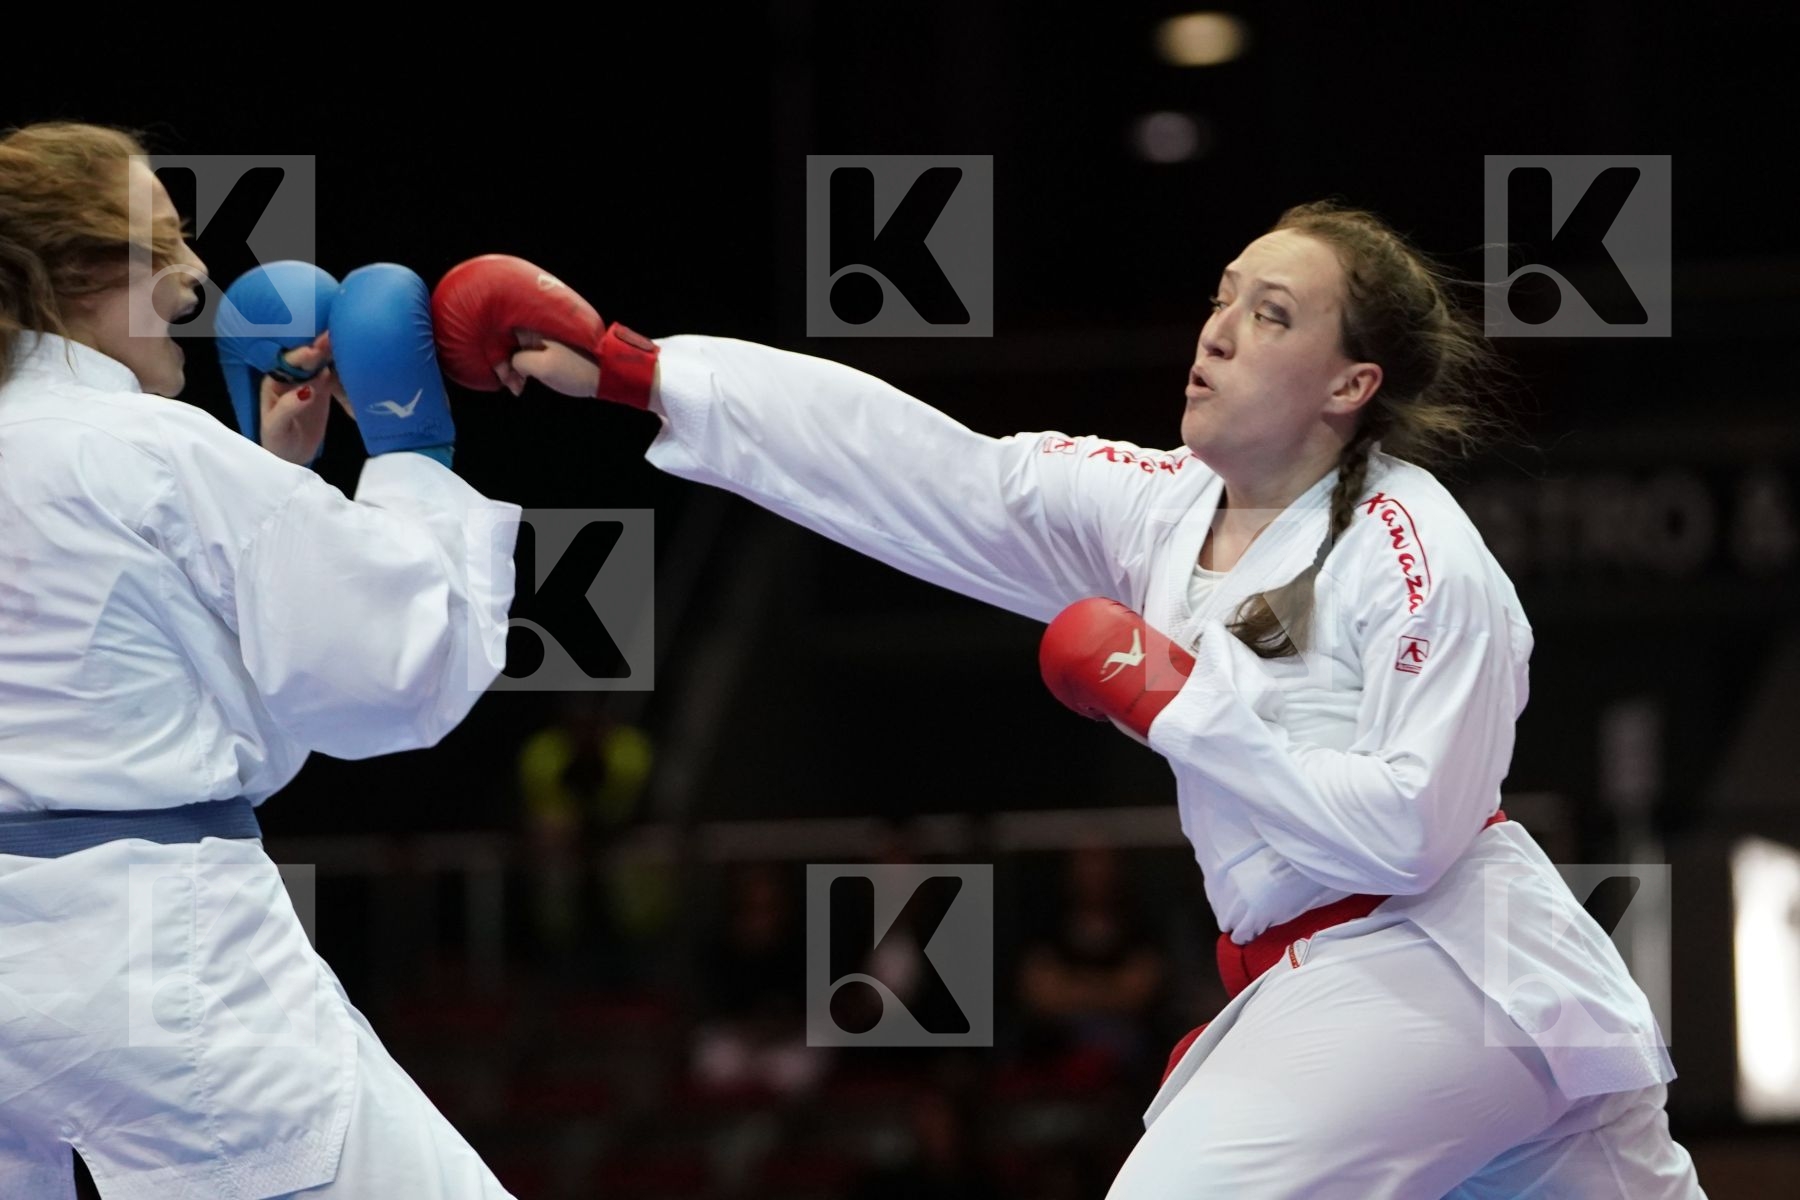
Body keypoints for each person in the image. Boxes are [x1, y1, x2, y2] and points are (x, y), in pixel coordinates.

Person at [433, 201, 1707, 1196]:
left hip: (1445, 962)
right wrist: (642, 371)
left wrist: (1177, 702)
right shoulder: (1158, 504)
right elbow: (928, 474)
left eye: (1272, 315)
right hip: (1385, 991)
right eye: (1223, 300)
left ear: (1349, 386)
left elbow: (1416, 830)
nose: (1216, 331)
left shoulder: (1410, 548)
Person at [0, 122, 520, 1197]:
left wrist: (269, 478)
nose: (195, 278)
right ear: (92, 274)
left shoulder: (119, 451)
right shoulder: (150, 451)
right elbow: (394, 681)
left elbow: (133, 683)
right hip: (154, 959)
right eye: (167, 241)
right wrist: (413, 453)